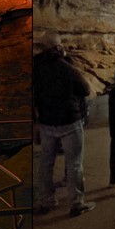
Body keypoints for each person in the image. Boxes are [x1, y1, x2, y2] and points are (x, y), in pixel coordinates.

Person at [33, 43, 96, 216]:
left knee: (46, 163)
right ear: (58, 49)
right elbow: (84, 89)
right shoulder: (65, 67)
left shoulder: (35, 67)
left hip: (46, 121)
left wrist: (35, 121)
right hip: (68, 120)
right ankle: (76, 203)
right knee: (74, 162)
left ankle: (46, 200)